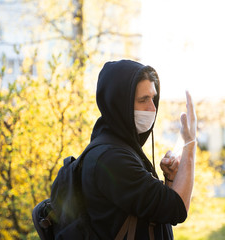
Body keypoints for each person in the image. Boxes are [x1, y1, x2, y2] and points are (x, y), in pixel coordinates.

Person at [81, 59, 197, 239]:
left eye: (153, 98)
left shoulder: (121, 148)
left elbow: (156, 212)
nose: (152, 108)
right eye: (143, 100)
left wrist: (170, 180)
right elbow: (177, 209)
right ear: (120, 103)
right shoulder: (112, 159)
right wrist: (189, 143)